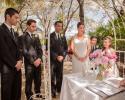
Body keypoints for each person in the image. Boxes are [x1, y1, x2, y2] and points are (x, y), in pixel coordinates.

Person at [0, 8, 23, 100]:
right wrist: (15, 64)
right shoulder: (1, 30)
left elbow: (20, 49)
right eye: (16, 17)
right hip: (7, 69)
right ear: (8, 16)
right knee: (7, 95)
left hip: (17, 69)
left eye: (18, 18)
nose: (18, 20)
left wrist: (20, 60)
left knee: (17, 94)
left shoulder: (15, 33)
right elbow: (3, 51)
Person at [20, 19, 43, 100]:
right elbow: (24, 51)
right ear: (27, 26)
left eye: (35, 26)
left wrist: (39, 59)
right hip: (29, 64)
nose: (34, 28)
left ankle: (38, 93)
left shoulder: (36, 37)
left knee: (38, 80)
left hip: (38, 62)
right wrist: (33, 61)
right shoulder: (22, 37)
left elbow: (40, 49)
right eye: (33, 26)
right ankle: (29, 96)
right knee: (29, 81)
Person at [50, 21, 68, 98]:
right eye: (58, 26)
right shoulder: (50, 36)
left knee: (60, 76)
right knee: (52, 76)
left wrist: (62, 56)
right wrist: (56, 56)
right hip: (53, 60)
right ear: (55, 26)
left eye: (61, 26)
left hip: (61, 60)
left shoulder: (63, 36)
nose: (59, 27)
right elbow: (49, 48)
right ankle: (53, 92)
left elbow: (65, 48)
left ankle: (59, 90)